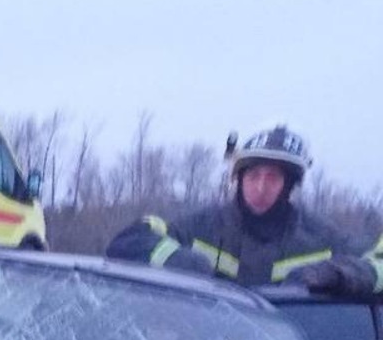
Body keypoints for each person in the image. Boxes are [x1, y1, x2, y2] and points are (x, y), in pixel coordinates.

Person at [107, 124, 383, 294]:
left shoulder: (320, 238)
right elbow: (129, 240)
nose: (261, 187)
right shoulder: (202, 227)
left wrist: (341, 274)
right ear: (238, 179)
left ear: (289, 185)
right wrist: (179, 260)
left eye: (273, 178)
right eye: (253, 176)